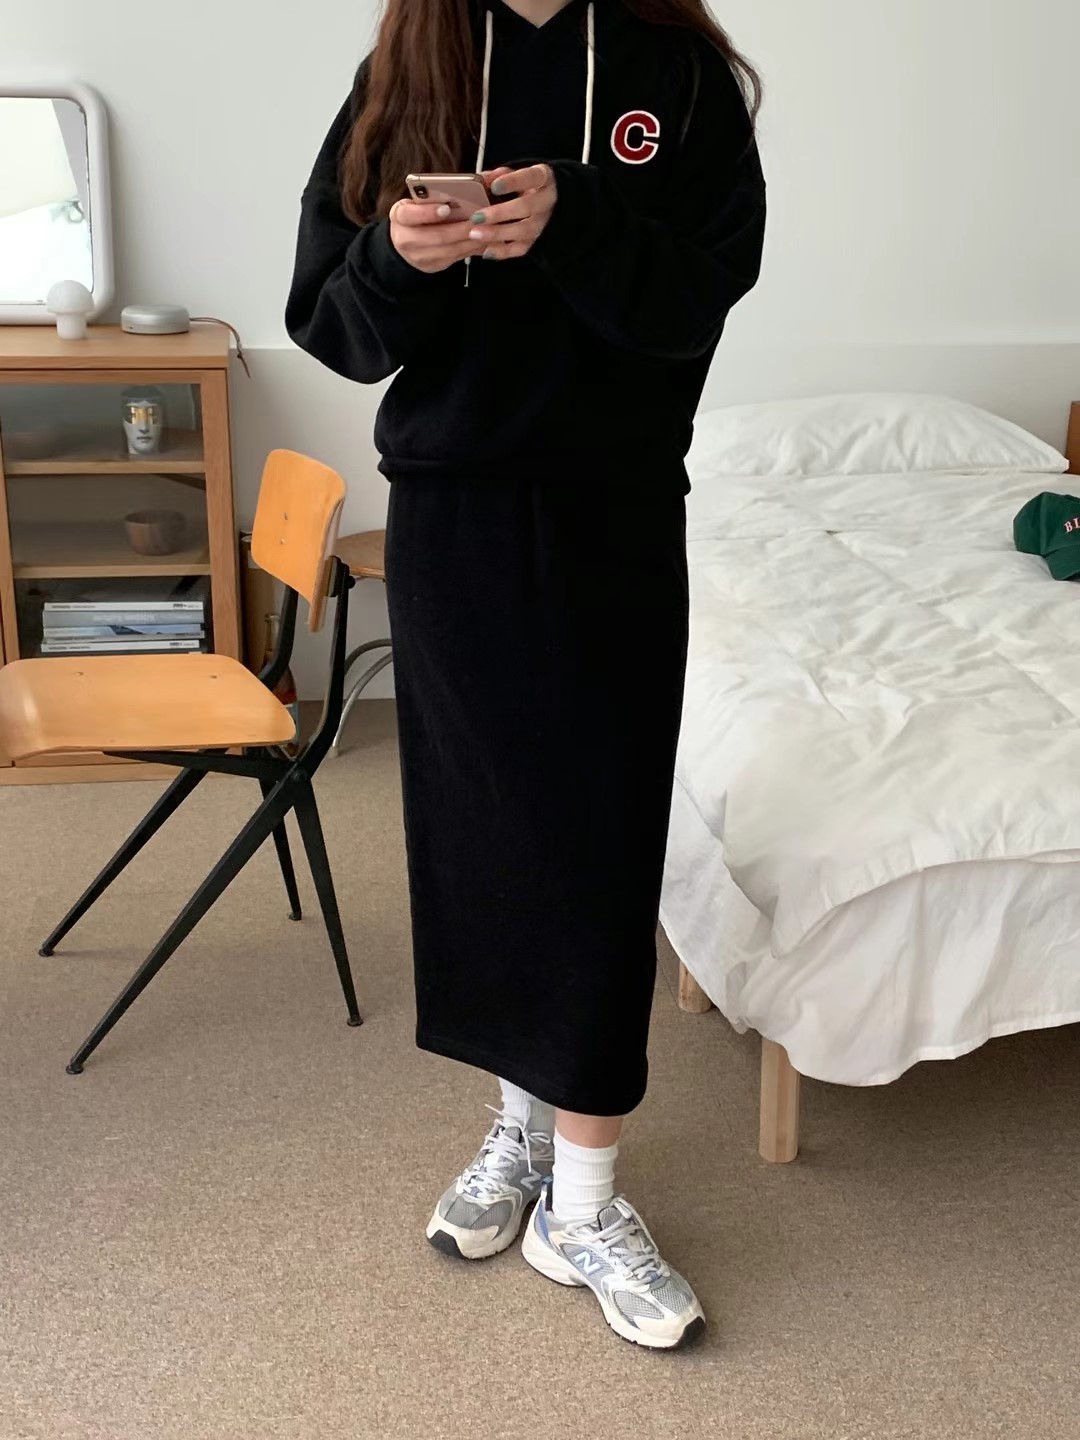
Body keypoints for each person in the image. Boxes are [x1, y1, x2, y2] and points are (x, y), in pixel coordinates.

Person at [287, 0, 765, 1351]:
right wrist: (396, 259)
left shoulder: (680, 73)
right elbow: (331, 325)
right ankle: (520, 1129)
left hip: (615, 512)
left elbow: (701, 299)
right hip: (452, 512)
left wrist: (579, 217)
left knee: (599, 843)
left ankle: (588, 1203)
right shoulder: (411, 63)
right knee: (486, 838)